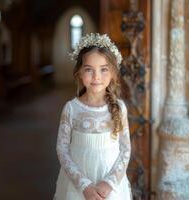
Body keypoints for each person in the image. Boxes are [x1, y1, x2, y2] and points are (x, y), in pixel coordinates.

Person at [53, 33, 132, 200]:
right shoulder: (71, 109)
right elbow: (62, 149)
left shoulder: (119, 108)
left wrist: (110, 183)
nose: (96, 77)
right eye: (89, 69)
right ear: (79, 73)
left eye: (103, 69)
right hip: (77, 186)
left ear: (112, 74)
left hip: (110, 187)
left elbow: (125, 150)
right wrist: (84, 186)